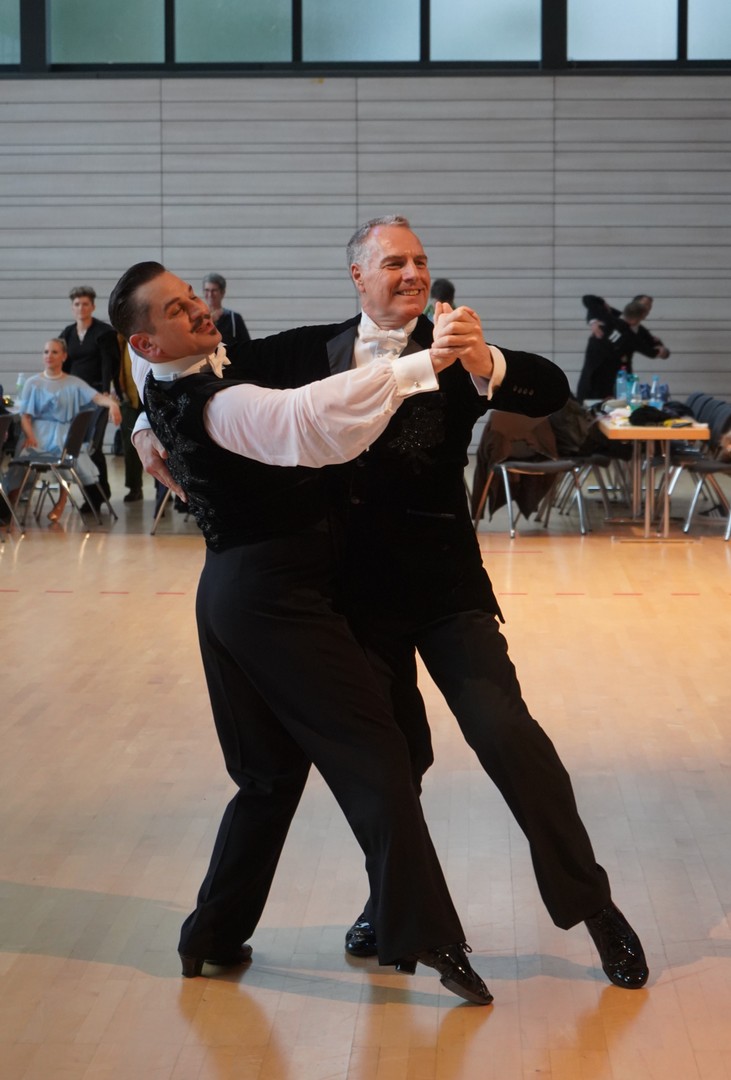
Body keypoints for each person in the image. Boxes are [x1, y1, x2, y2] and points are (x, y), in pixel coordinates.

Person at [131, 216, 650, 991]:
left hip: (444, 588)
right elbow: (185, 369)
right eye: (394, 262)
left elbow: (549, 389)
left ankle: (592, 905)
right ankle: (388, 904)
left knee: (505, 734)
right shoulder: (303, 351)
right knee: (392, 758)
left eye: (420, 260)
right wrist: (144, 423)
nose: (412, 273)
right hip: (348, 599)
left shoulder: (452, 348)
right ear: (358, 275)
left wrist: (485, 359)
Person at [109, 260, 493, 1006]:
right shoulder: (219, 402)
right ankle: (423, 931)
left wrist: (143, 422)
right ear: (148, 343)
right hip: (275, 601)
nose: (198, 312)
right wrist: (422, 366)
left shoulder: (170, 376)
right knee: (376, 754)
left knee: (269, 776)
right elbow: (305, 418)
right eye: (177, 311)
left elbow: (143, 359)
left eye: (191, 300)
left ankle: (211, 935)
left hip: (229, 595)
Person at [4, 338, 120, 521]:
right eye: (46, 352)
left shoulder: (74, 382)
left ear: (64, 356)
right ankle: (10, 503)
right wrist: (30, 435)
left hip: (63, 435)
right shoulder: (32, 383)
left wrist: (113, 405)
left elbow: (97, 397)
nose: (49, 356)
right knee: (22, 462)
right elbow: (25, 416)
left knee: (67, 455)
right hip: (37, 433)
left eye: (54, 352)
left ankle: (62, 499)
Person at [60, 285, 120, 498]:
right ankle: (90, 495)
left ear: (93, 307)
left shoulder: (103, 333)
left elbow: (108, 364)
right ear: (72, 307)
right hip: (73, 397)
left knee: (92, 446)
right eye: (77, 304)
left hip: (97, 397)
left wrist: (106, 391)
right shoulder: (68, 333)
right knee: (76, 446)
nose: (81, 308)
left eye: (85, 304)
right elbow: (63, 365)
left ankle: (101, 494)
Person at [576, 293, 670, 402]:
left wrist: (662, 351)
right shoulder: (631, 336)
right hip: (596, 381)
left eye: (648, 306)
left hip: (612, 383)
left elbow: (658, 348)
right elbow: (652, 352)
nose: (646, 308)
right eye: (644, 305)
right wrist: (593, 321)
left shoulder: (606, 318)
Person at [115, 334, 145, 502]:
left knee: (161, 444)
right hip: (128, 397)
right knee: (130, 444)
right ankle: (134, 487)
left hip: (153, 395)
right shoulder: (120, 337)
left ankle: (163, 489)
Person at [203, 272, 251, 348]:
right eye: (207, 290)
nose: (210, 294)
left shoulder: (234, 319)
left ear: (222, 292)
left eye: (214, 290)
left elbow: (247, 346)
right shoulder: (196, 318)